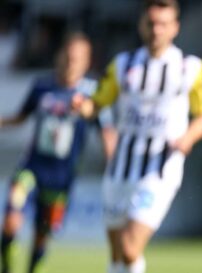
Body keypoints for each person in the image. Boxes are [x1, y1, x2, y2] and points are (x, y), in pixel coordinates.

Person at [72, 0, 202, 272]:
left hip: (160, 169)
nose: (156, 30)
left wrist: (188, 138)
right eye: (151, 23)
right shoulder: (123, 65)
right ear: (141, 25)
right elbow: (98, 103)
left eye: (163, 24)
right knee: (117, 255)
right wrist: (83, 106)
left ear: (175, 28)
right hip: (120, 168)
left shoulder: (189, 68)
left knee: (129, 247)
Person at [0, 33, 105, 273]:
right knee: (10, 219)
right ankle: (6, 264)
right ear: (60, 56)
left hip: (61, 179)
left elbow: (104, 130)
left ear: (87, 62)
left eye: (77, 59)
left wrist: (114, 163)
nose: (71, 63)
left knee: (42, 234)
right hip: (32, 168)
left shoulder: (92, 93)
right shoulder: (42, 86)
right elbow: (20, 118)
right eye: (68, 57)